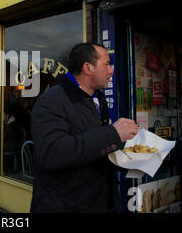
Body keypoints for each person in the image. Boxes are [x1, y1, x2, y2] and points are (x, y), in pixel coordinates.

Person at [30, 43, 138, 213]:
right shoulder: (50, 100)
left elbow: (93, 147)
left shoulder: (97, 99)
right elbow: (52, 152)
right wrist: (113, 133)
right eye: (107, 64)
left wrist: (129, 159)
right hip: (63, 206)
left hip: (99, 202)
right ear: (87, 67)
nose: (112, 70)